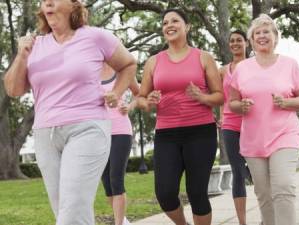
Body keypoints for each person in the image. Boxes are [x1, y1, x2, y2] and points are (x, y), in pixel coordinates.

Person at [3, 0, 137, 224]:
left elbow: (128, 64)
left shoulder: (96, 37)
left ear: (75, 4)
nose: (47, 2)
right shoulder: (35, 45)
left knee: (73, 206)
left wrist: (117, 91)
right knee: (65, 209)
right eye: (44, 0)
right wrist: (21, 56)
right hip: (46, 134)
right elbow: (14, 89)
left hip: (88, 128)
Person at [136, 8, 223, 225]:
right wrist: (149, 102)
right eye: (165, 23)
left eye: (175, 21)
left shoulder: (203, 57)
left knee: (197, 193)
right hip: (166, 134)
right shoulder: (153, 62)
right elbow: (141, 99)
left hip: (201, 132)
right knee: (165, 193)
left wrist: (201, 97)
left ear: (188, 27)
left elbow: (220, 96)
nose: (169, 25)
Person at [229, 14, 299, 225]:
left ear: (276, 37)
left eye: (267, 32)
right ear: (252, 40)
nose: (262, 36)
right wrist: (242, 106)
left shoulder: (290, 65)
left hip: (285, 135)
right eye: (258, 33)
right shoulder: (242, 68)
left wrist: (286, 103)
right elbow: (232, 103)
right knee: (264, 194)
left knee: (283, 187)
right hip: (253, 139)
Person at [100, 64, 139, 225]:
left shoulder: (122, 71)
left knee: (116, 180)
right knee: (107, 184)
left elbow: (139, 93)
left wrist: (128, 106)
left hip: (120, 130)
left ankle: (118, 223)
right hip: (98, 133)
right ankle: (122, 221)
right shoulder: (89, 68)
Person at [219, 30, 249, 225]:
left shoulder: (255, 66)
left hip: (253, 123)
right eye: (232, 41)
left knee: (258, 172)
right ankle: (242, 222)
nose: (236, 43)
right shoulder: (222, 70)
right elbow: (220, 96)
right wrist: (219, 116)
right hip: (230, 124)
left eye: (239, 40)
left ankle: (266, 217)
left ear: (247, 43)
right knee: (238, 172)